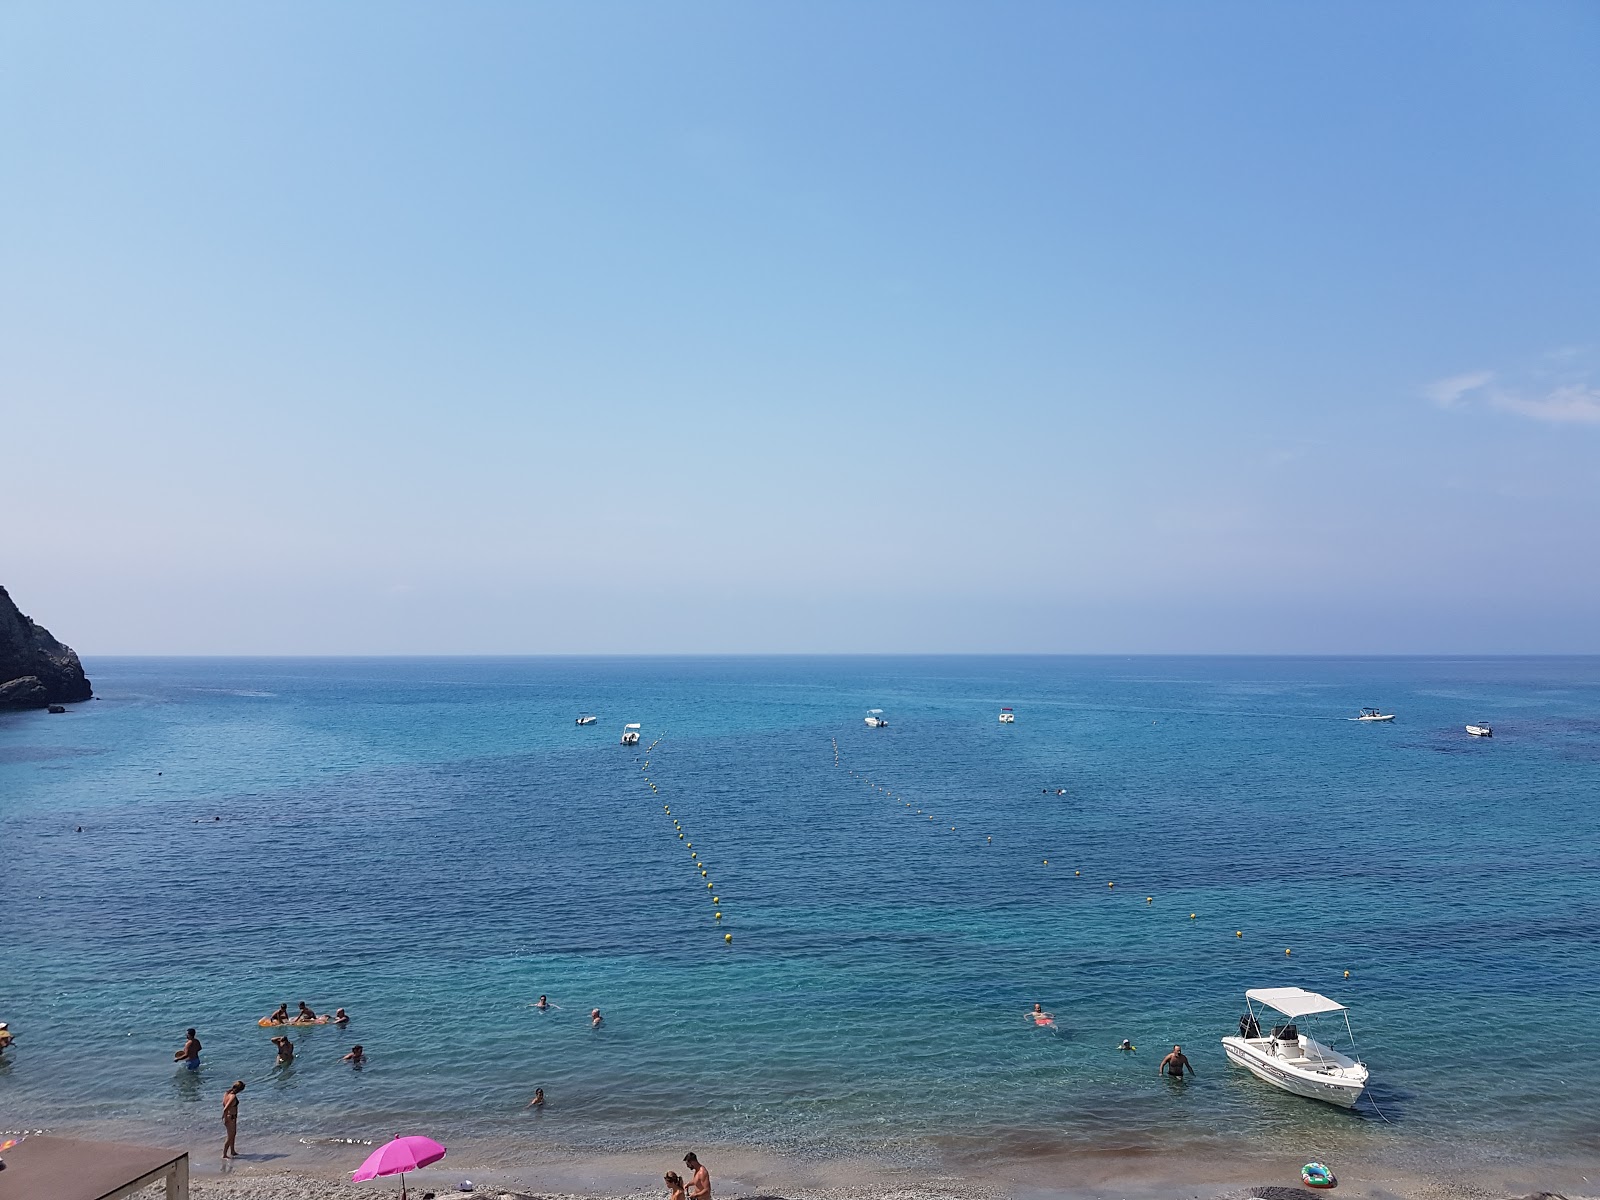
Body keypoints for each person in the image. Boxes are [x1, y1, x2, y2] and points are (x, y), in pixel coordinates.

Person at [222, 1080, 245, 1158]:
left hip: (231, 1116)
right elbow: (225, 1108)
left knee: (233, 1134)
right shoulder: (233, 1096)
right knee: (230, 1136)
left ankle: (232, 1150)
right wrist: (225, 1118)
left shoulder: (226, 1093)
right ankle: (224, 1154)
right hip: (230, 1117)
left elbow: (223, 1104)